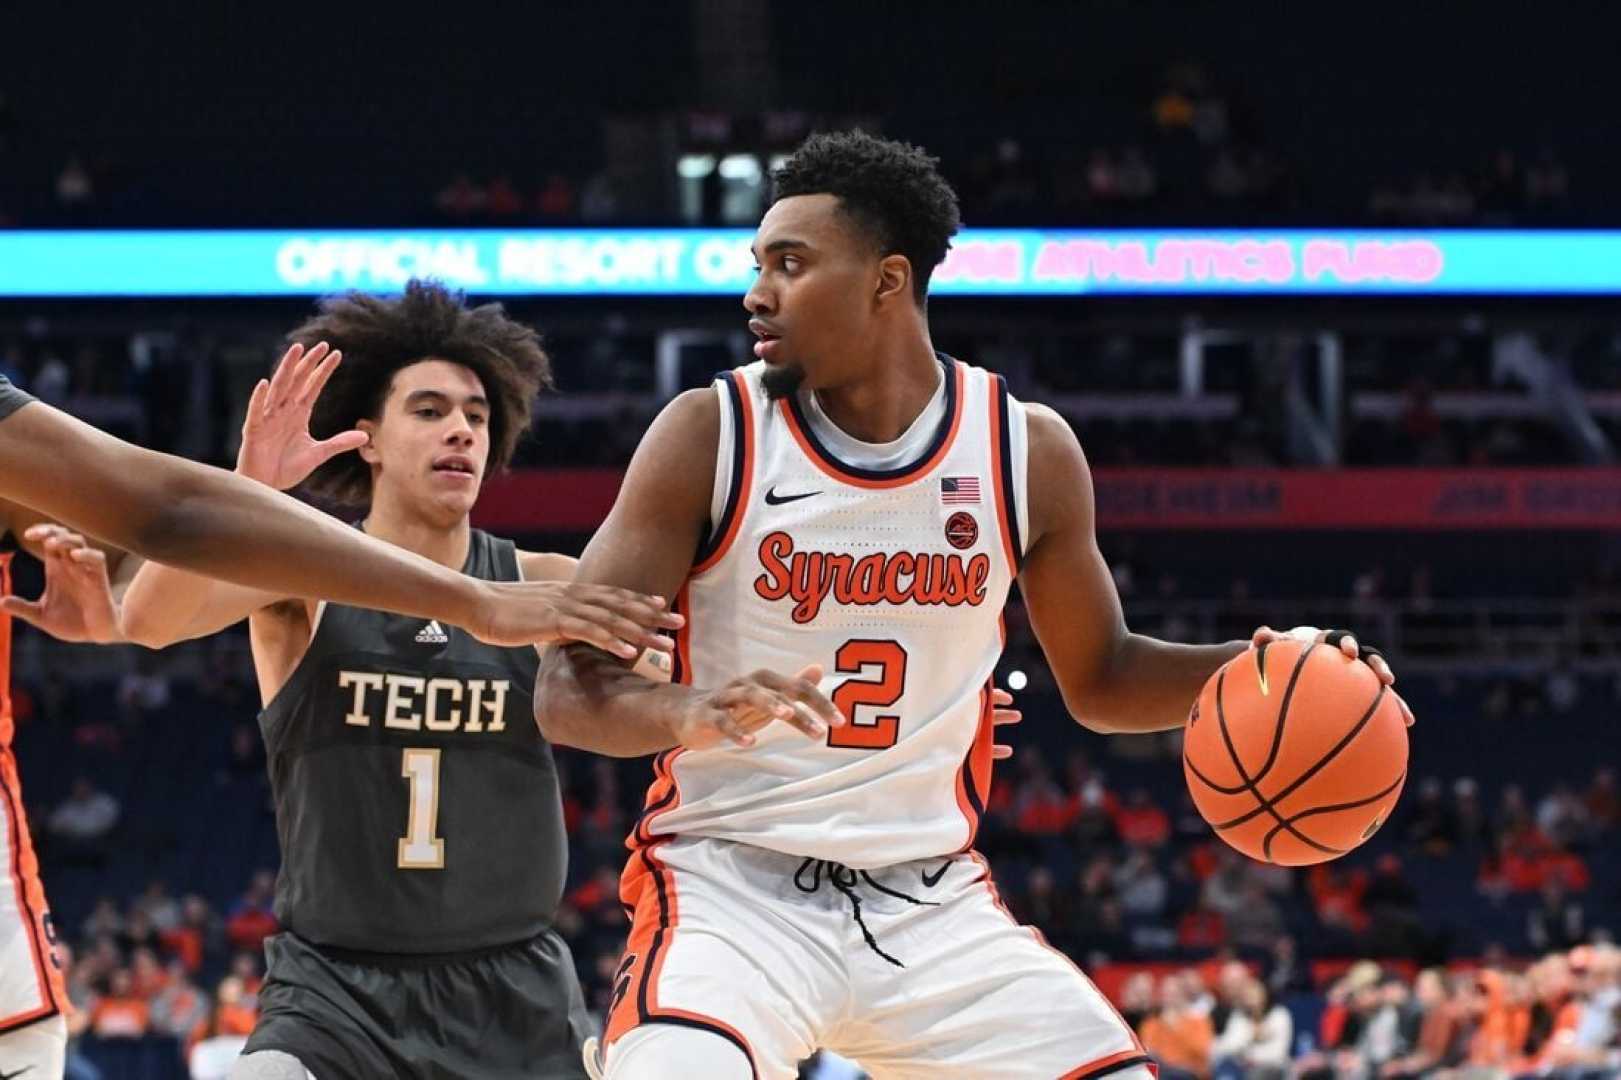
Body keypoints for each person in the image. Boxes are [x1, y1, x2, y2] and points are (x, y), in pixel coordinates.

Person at [533, 130, 1405, 1078]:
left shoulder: (1022, 450)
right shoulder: (712, 432)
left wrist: (1272, 666)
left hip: (932, 904)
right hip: (729, 887)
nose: (756, 294)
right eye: (757, 266)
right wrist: (685, 711)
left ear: (886, 279)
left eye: (790, 264)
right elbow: (567, 689)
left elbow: (1104, 678)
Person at [120, 282, 682, 1079]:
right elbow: (148, 620)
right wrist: (251, 490)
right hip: (336, 996)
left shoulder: (546, 582)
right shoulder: (302, 573)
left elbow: (668, 682)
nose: (459, 429)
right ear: (368, 439)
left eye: (477, 416)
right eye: (428, 410)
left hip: (514, 993)